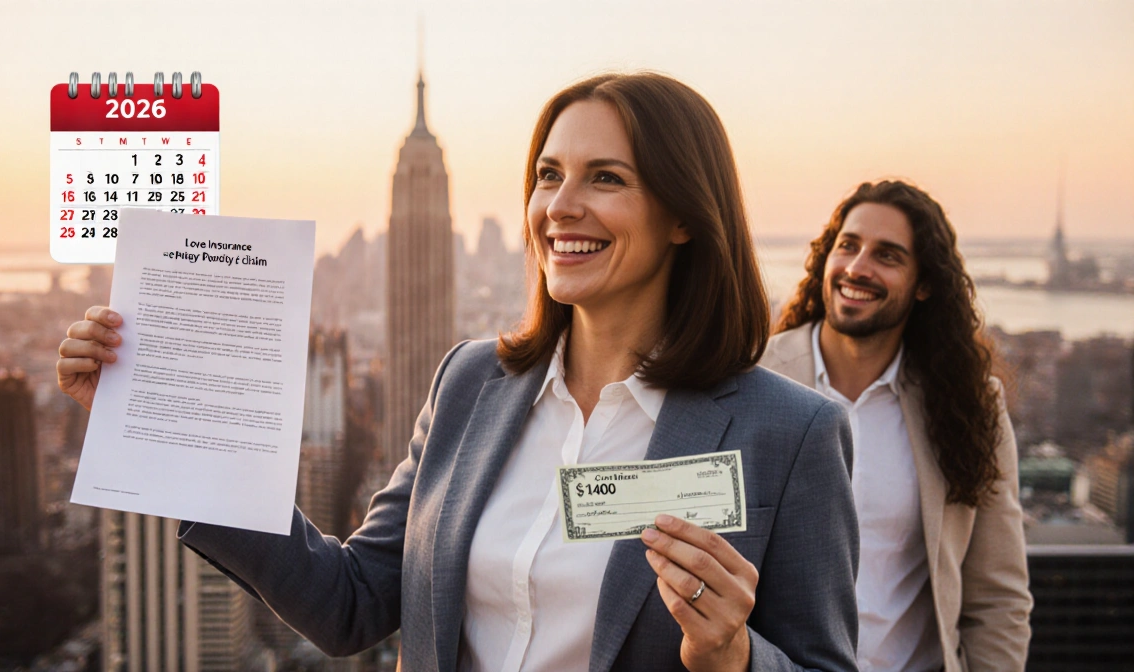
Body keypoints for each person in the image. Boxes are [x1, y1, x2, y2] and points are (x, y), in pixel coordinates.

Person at [57, 73, 859, 671]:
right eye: (548, 175)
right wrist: (152, 418)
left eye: (605, 177)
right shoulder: (472, 383)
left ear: (685, 214)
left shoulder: (790, 433)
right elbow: (353, 603)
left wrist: (735, 657)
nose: (560, 206)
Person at [761, 180, 1033, 672]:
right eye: (848, 245)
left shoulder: (970, 408)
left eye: (887, 256)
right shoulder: (752, 378)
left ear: (924, 284)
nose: (858, 268)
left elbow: (999, 600)